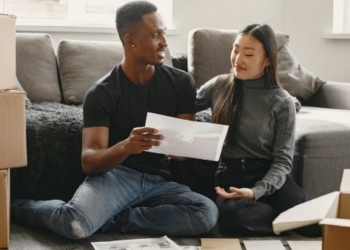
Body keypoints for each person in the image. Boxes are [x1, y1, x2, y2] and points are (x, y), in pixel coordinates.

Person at [11, 1, 218, 239]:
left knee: (206, 213)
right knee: (74, 224)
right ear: (130, 40)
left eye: (164, 33)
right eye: (155, 35)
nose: (165, 42)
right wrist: (127, 146)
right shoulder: (103, 92)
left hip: (159, 181)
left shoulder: (181, 83)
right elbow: (89, 161)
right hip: (116, 177)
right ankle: (18, 207)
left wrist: (190, 145)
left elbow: (184, 145)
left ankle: (111, 220)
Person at [195, 24, 320, 236]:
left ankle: (283, 218)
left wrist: (255, 192)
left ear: (268, 60)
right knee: (235, 218)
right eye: (235, 50)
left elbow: (282, 161)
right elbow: (183, 108)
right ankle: (284, 221)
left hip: (268, 175)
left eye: (249, 54)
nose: (238, 59)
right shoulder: (219, 85)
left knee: (316, 225)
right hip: (230, 176)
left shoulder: (281, 101)